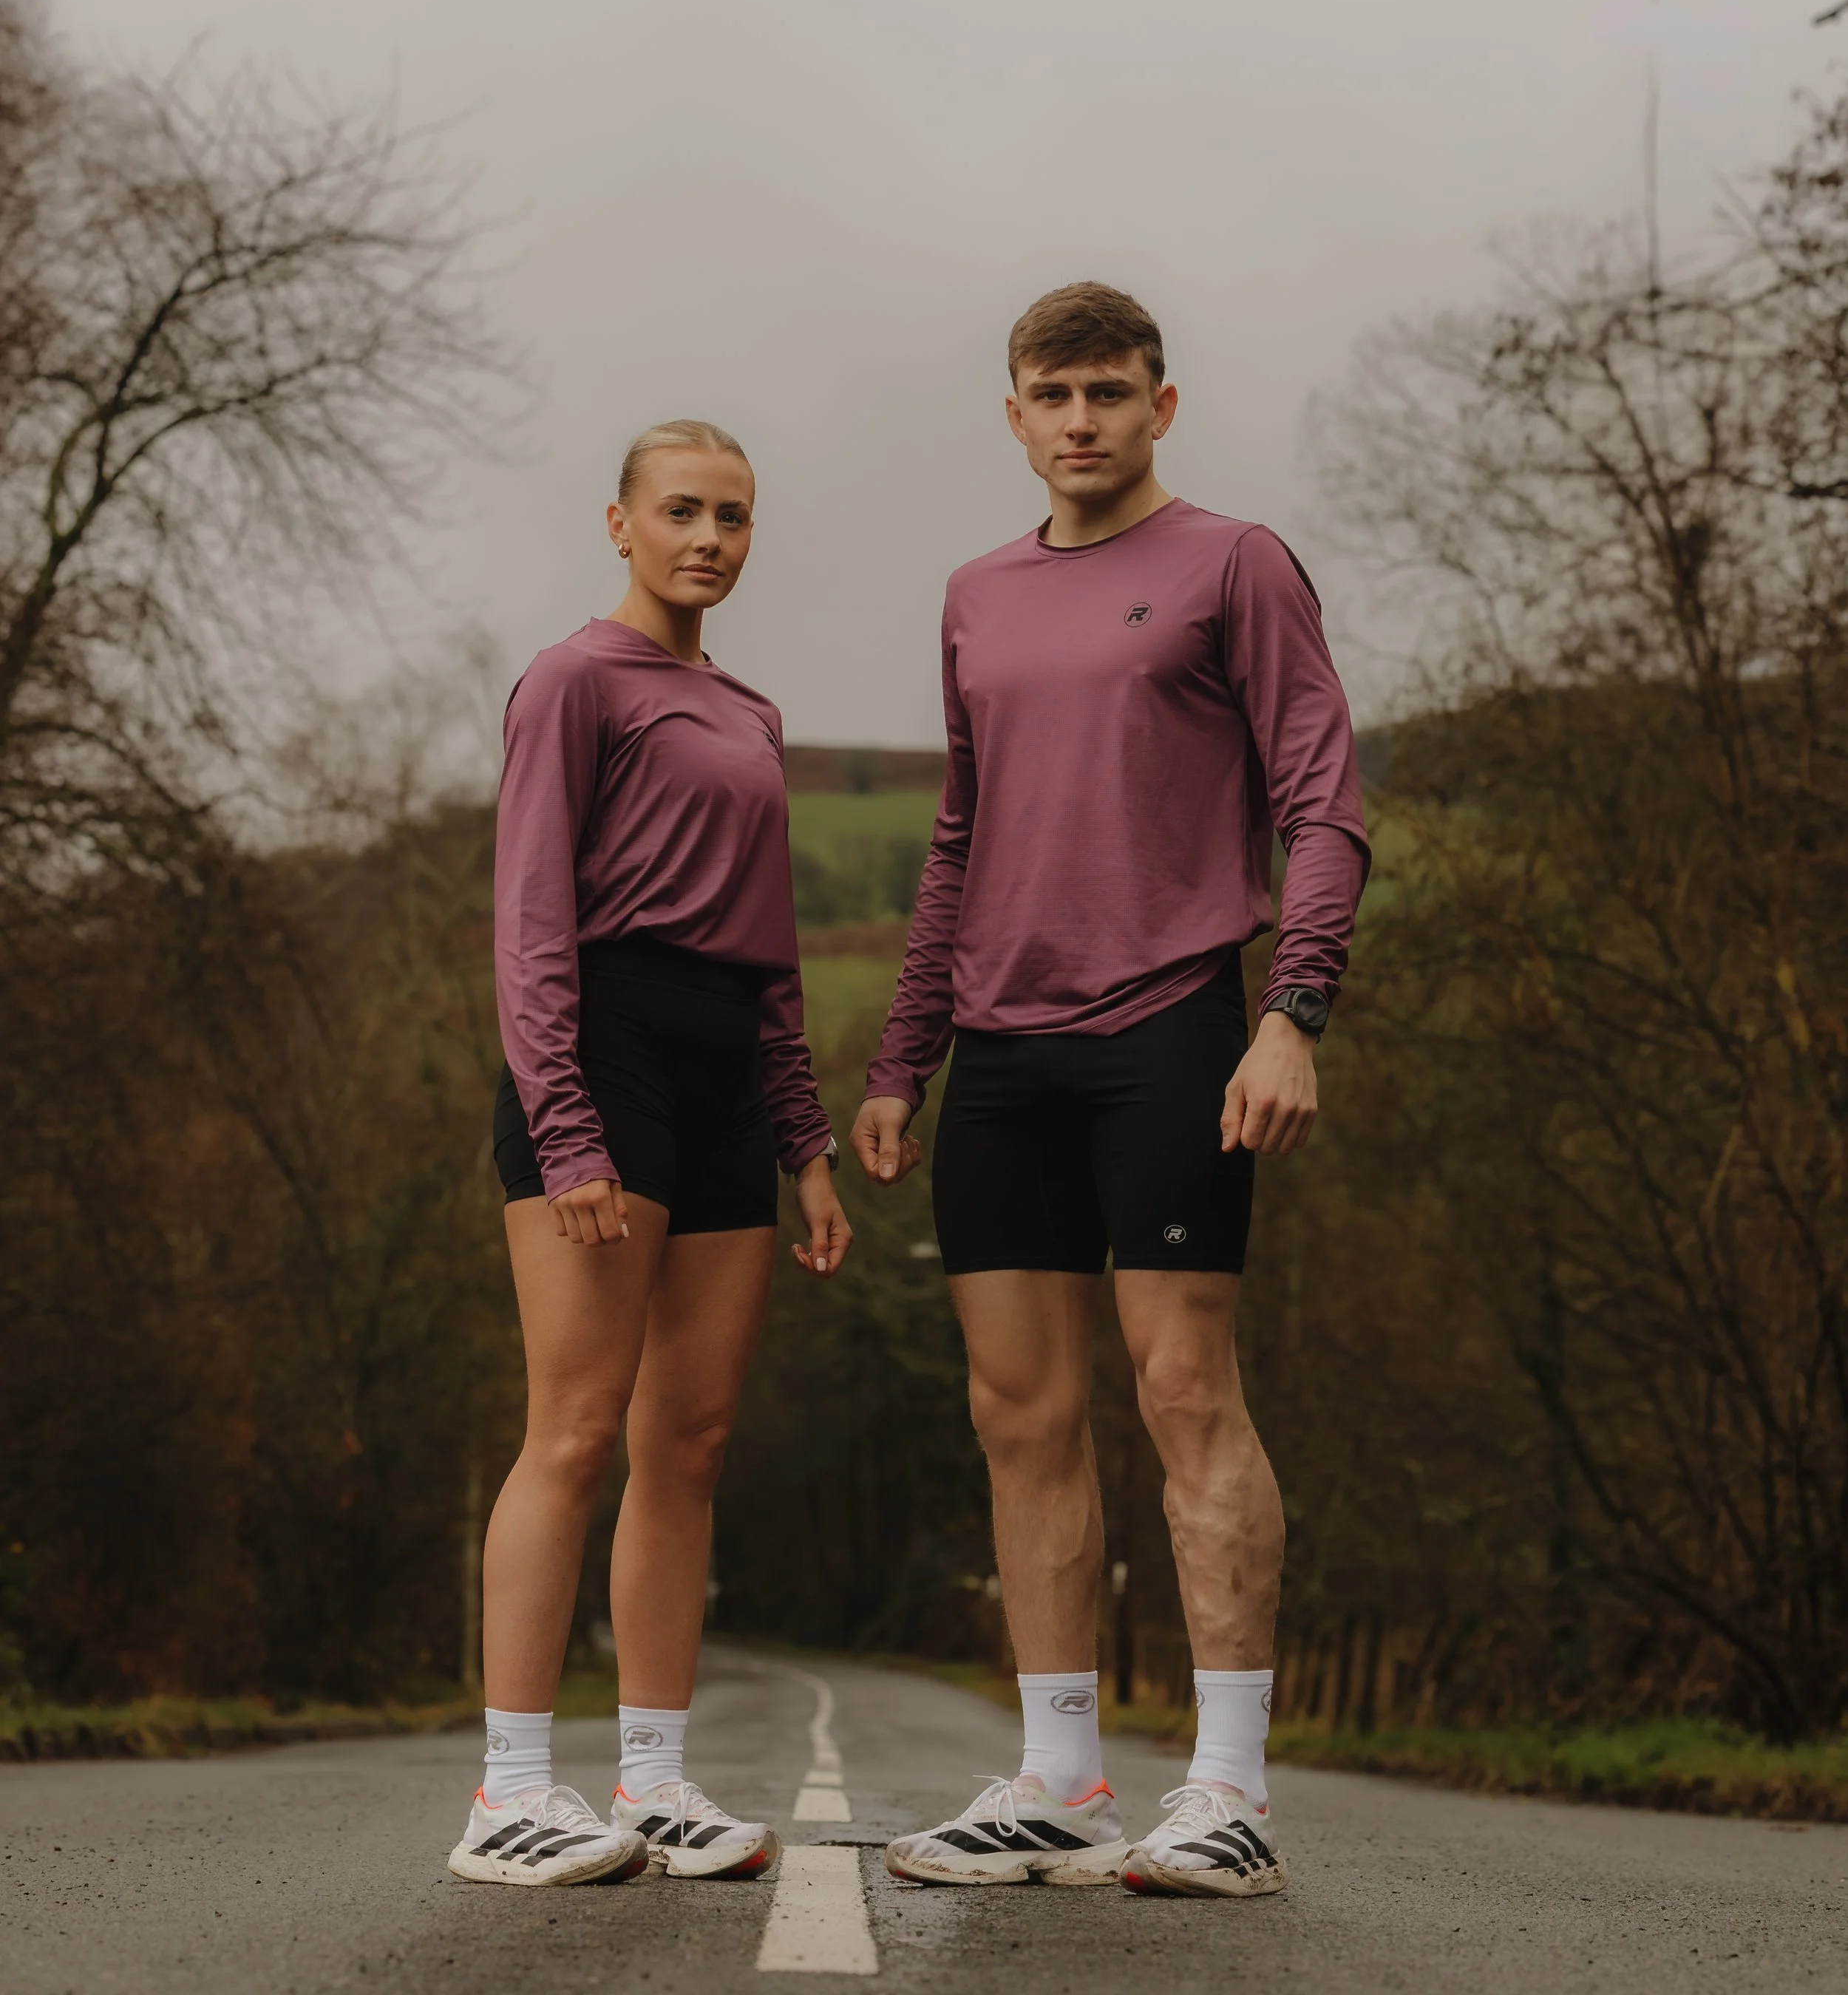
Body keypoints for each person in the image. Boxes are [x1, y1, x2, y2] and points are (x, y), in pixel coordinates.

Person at [852, 285, 1368, 1898]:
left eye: (1106, 391)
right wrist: (901, 1057)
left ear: (1158, 404)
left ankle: (1226, 1789)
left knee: (1181, 1390)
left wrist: (1291, 1011)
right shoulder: (972, 596)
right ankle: (1059, 1776)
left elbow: (1324, 802)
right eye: (1048, 393)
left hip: (1169, 1027)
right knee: (1016, 1412)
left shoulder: (1233, 564)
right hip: (999, 1052)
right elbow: (957, 842)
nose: (1077, 418)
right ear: (1011, 414)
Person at [449, 419, 851, 1889]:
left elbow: (774, 955)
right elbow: (530, 915)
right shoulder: (570, 679)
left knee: (686, 1441)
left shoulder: (746, 708)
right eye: (679, 510)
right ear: (616, 523)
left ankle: (658, 1782)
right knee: (572, 1422)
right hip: (600, 1048)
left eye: (733, 515)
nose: (709, 537)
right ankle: (506, 1791)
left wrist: (803, 1139)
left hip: (725, 1067)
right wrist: (564, 1127)